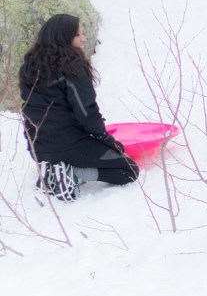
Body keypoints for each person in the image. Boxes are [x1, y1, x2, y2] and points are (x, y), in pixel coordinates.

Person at [18, 14, 139, 201]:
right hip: (67, 144)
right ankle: (70, 174)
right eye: (78, 34)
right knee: (129, 170)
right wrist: (105, 138)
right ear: (64, 37)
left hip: (38, 147)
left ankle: (52, 171)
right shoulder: (70, 66)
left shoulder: (30, 66)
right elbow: (86, 111)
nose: (83, 38)